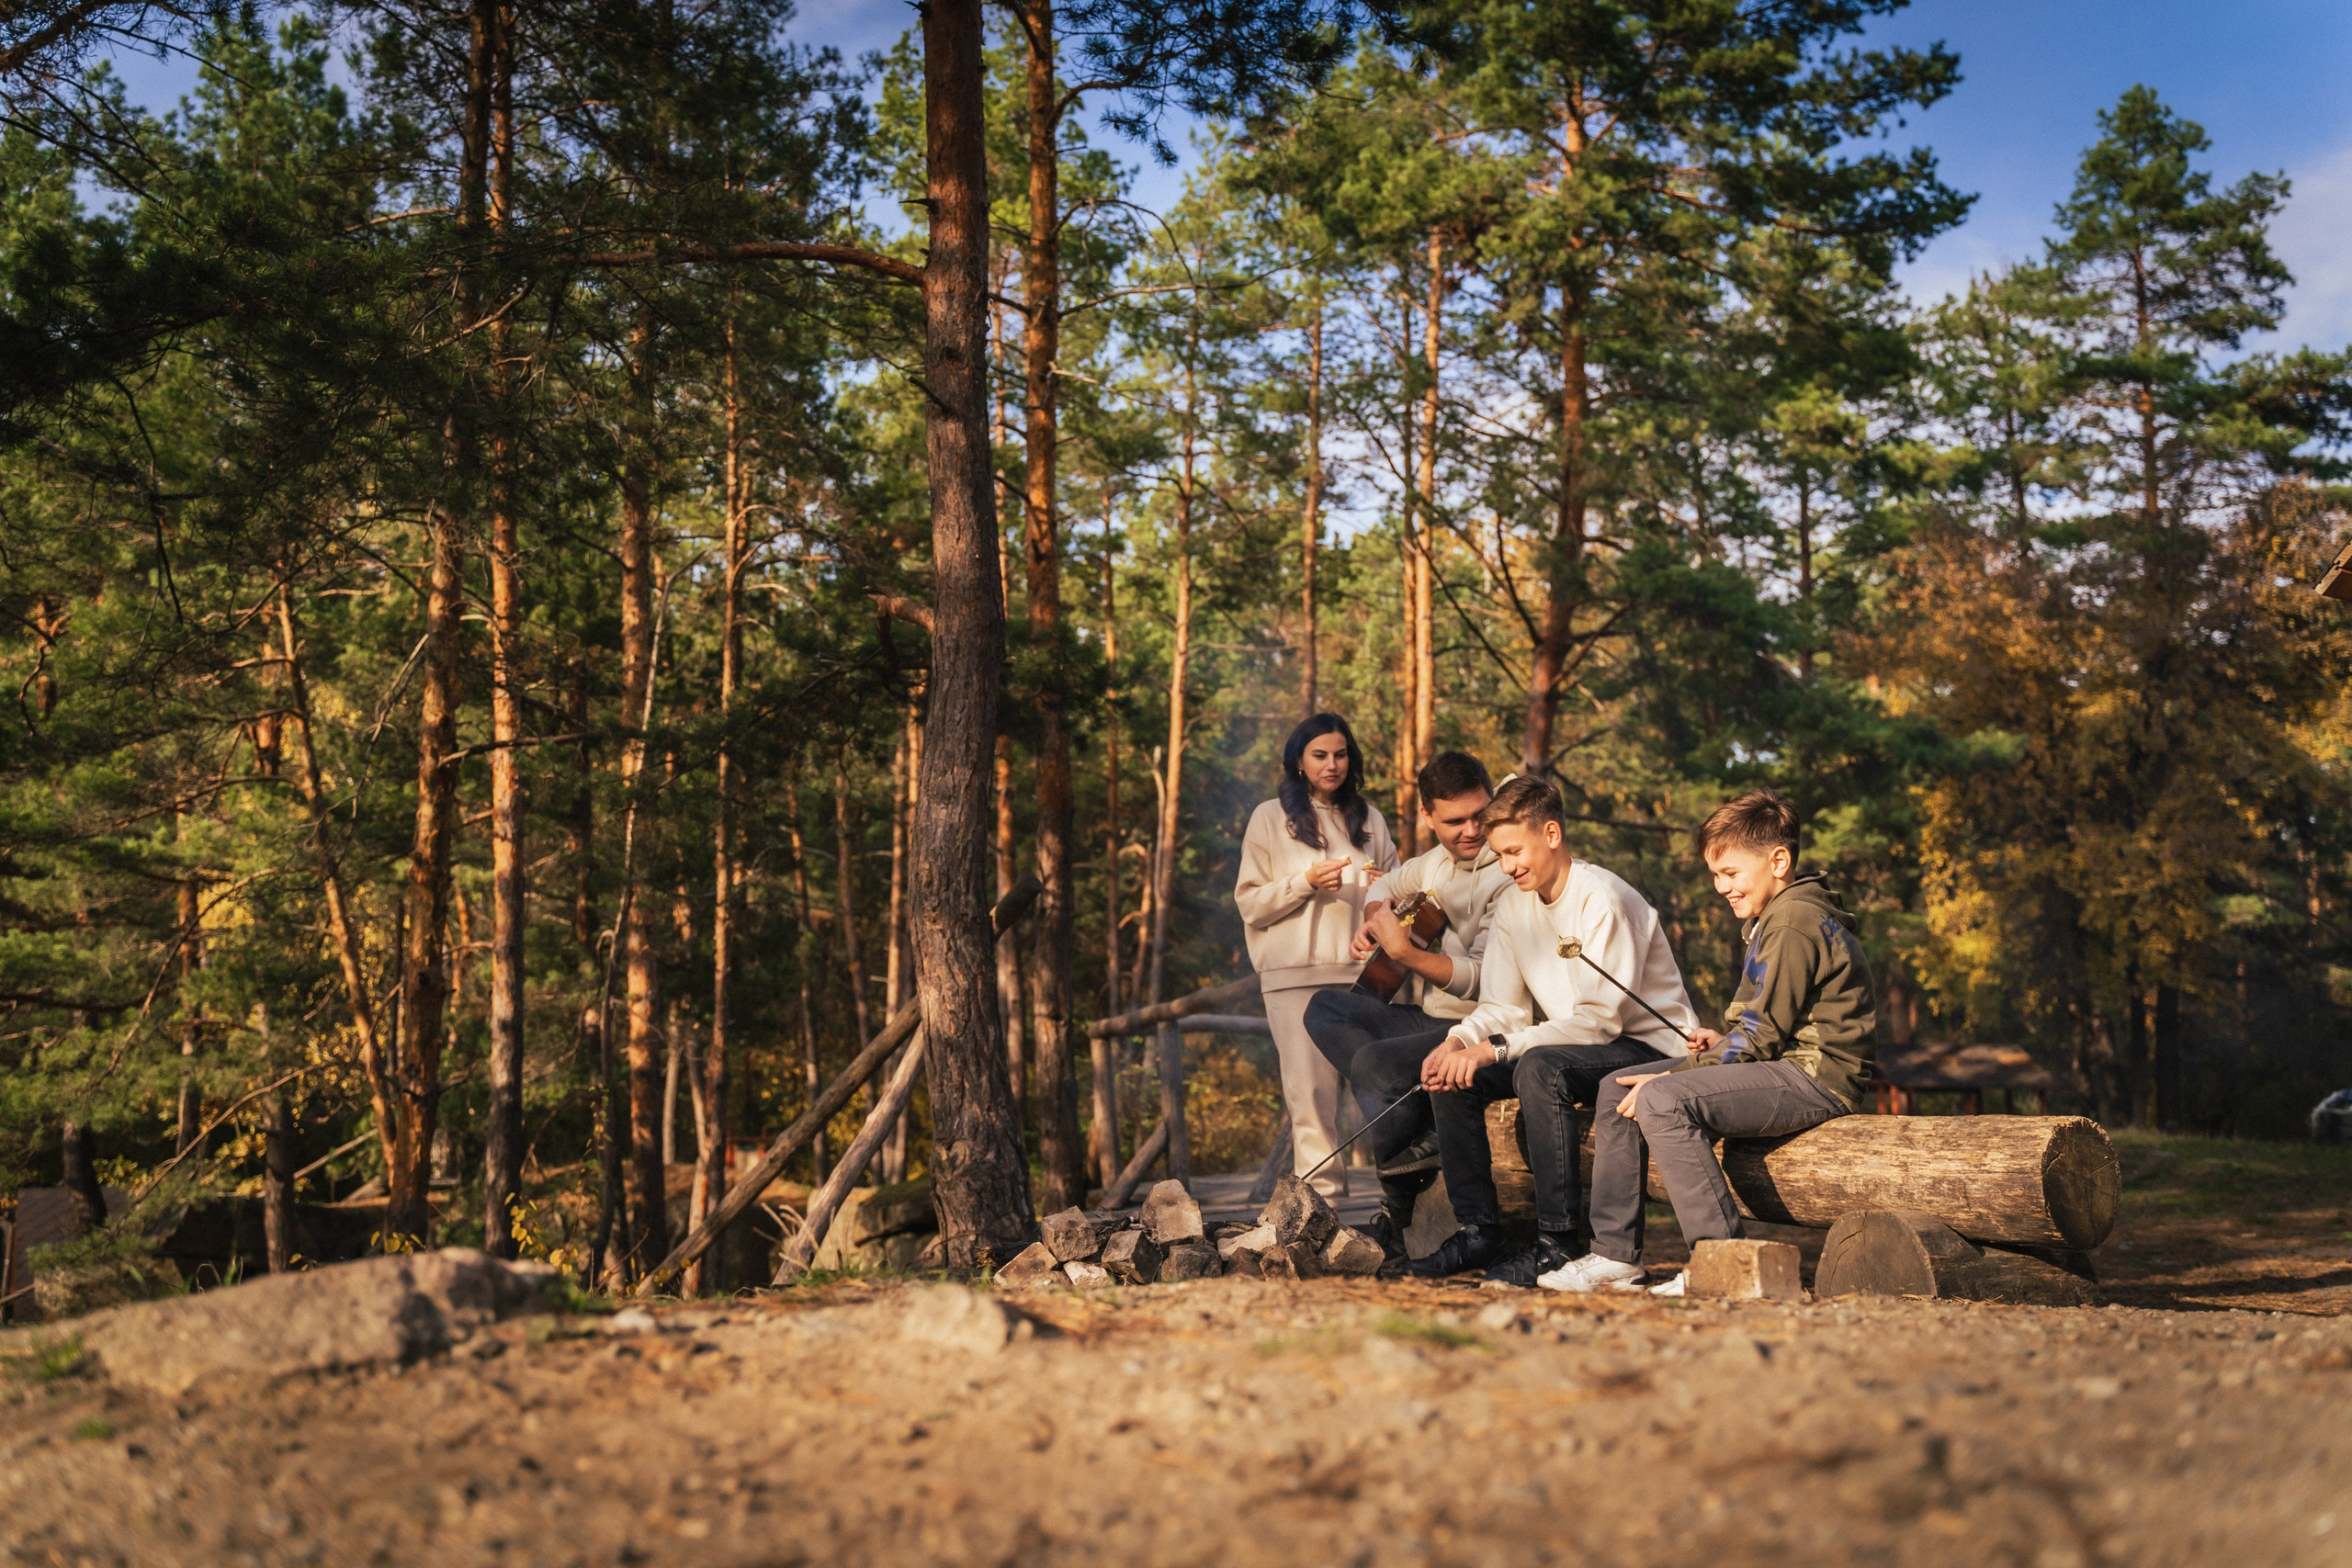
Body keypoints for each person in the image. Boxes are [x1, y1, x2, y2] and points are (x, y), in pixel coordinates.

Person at [1541, 786, 1879, 1295]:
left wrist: (1678, 1074)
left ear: (1779, 860)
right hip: (1786, 1065)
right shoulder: (1778, 918)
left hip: (1817, 1078)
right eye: (1715, 876)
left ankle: (1727, 1264)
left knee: (1659, 1097)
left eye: (1731, 873)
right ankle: (1614, 1256)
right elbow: (1764, 1028)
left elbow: (1762, 1039)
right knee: (1617, 1088)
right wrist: (1719, 1044)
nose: (1721, 887)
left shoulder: (1793, 921)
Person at [1408, 775, 1701, 1286]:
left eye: (1515, 851)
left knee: (1541, 1069)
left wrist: (1496, 1048)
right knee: (1457, 1074)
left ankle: (1558, 1244)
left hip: (1651, 1047)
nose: (1508, 866)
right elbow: (1503, 1005)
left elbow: (1600, 1020)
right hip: (1579, 1045)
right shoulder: (1515, 905)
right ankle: (1478, 1229)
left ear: (1551, 834)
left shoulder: (1602, 898)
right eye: (1499, 856)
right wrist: (1459, 1041)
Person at [1303, 750, 1511, 1263]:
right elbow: (1381, 887)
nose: (1471, 831)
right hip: (1430, 1020)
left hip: (1480, 1027)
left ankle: (1398, 1215)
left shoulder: (1508, 868)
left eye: (1479, 816)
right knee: (1325, 1009)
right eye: (1454, 821)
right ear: (1427, 817)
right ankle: (1416, 1125)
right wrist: (1378, 921)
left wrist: (1404, 952)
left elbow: (1483, 980)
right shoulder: (1431, 866)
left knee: (1374, 1065)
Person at [1235, 714, 1399, 1198]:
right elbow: (1249, 903)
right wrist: (1303, 883)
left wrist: (1382, 895)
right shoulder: (1269, 817)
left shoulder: (1370, 819)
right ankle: (1322, 1209)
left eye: (1341, 754)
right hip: (1294, 979)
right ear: (1299, 762)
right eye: (1320, 755)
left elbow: (1400, 892)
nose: (1333, 765)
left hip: (1365, 979)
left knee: (1380, 1092)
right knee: (1310, 1100)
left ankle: (1400, 1207)